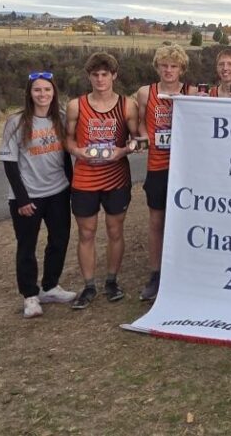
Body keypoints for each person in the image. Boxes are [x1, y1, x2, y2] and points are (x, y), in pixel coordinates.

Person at [0, 71, 76, 318]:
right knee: (27, 245)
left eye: (47, 89)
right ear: (30, 93)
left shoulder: (61, 118)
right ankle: (30, 295)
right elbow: (10, 163)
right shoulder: (16, 122)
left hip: (58, 191)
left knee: (59, 239)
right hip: (28, 196)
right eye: (37, 90)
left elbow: (66, 158)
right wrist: (22, 199)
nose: (43, 94)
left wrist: (72, 186)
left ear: (54, 92)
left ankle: (50, 286)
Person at [65, 52, 139, 309]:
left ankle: (112, 281)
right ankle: (89, 286)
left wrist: (124, 150)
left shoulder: (127, 105)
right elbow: (68, 138)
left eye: (104, 74)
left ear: (114, 75)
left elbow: (137, 139)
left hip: (116, 178)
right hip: (85, 178)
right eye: (95, 75)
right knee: (86, 233)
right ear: (89, 76)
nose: (100, 79)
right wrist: (77, 151)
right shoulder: (76, 105)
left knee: (115, 230)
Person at [134, 46, 195, 301]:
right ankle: (156, 274)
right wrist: (144, 136)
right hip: (158, 165)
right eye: (164, 66)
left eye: (174, 66)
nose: (169, 70)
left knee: (184, 221)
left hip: (186, 168)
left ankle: (183, 271)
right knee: (157, 221)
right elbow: (139, 122)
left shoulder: (191, 92)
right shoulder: (145, 92)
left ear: (182, 69)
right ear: (157, 67)